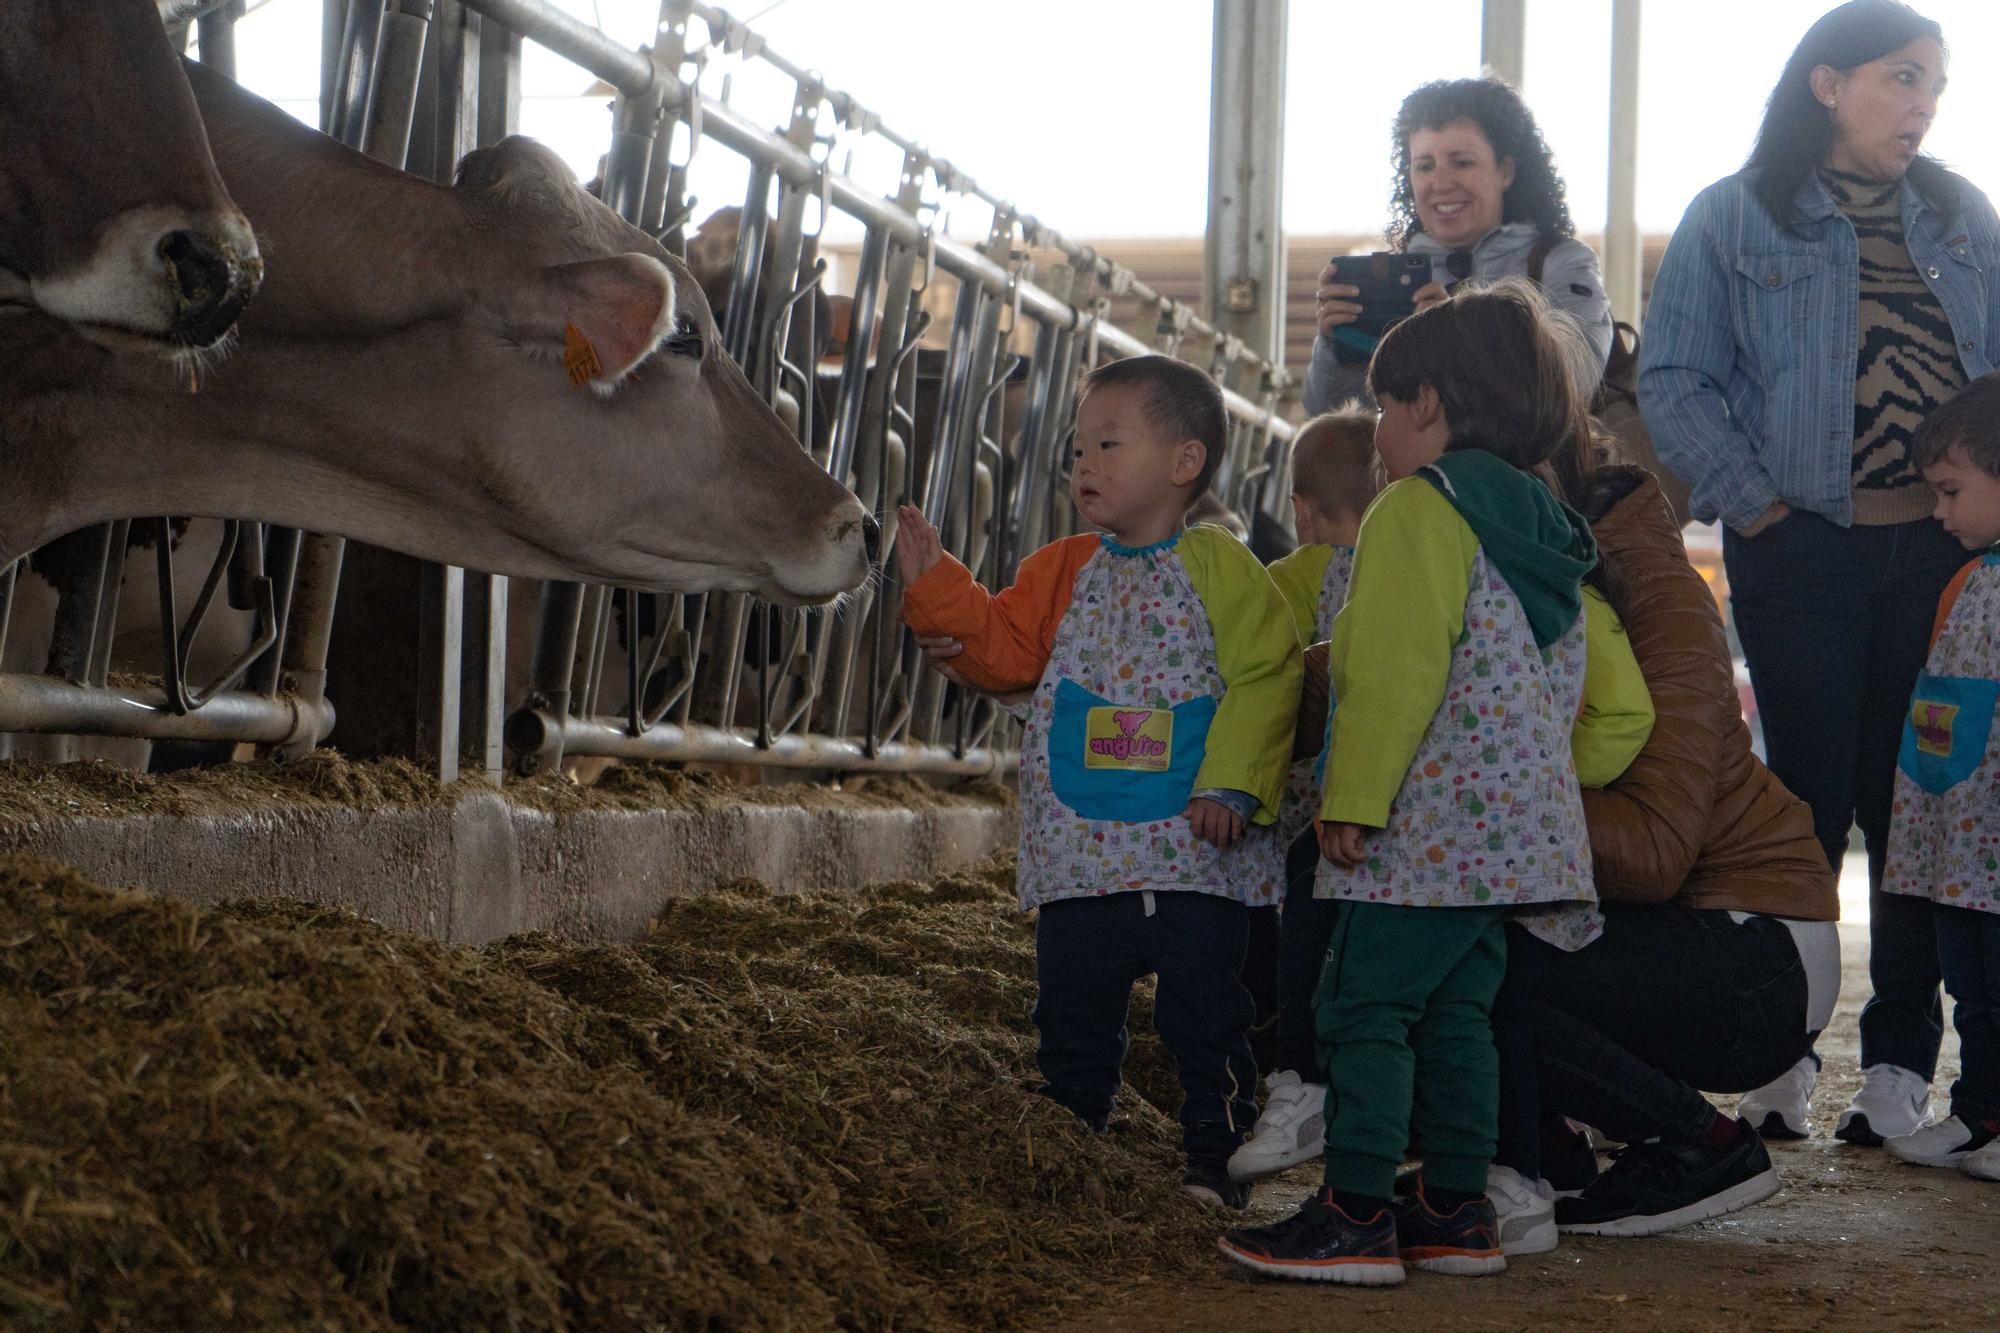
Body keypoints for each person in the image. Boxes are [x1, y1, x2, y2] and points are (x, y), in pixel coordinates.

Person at [1218, 281, 1647, 1286]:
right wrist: (1536, 786)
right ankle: (1455, 1207)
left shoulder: (1420, 508)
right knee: (1455, 1014)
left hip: (1427, 821)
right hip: (1514, 833)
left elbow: (1395, 668)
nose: (1373, 434)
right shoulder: (1540, 520)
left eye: (1383, 405)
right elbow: (1580, 694)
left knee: (1359, 1005)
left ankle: (1355, 1209)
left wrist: (1353, 797)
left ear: (1429, 404)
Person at [1640, 0, 2000, 1145]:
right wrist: (1757, 506)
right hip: (1794, 547)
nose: (1923, 104)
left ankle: (1897, 1061)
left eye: (1935, 85)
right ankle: (1775, 1045)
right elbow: (1675, 379)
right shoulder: (1730, 217)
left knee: (1922, 800)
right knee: (1801, 798)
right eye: (1901, 78)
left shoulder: (1960, 216)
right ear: (1826, 85)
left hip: (1940, 557)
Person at [894, 355, 1301, 1212]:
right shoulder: (1062, 566)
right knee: (1071, 1003)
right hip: (1081, 848)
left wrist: (1231, 786)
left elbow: (1269, 675)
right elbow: (1003, 646)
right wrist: (939, 591)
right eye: (1079, 449)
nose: (1085, 465)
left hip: (1194, 849)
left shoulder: (1224, 567)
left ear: (1185, 462)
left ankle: (1213, 1153)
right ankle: (1070, 1136)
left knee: (1203, 1013)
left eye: (1109, 444)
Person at [1510, 459, 1842, 1238]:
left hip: (1760, 952)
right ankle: (1541, 1151)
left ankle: (1703, 1141)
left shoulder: (1658, 603)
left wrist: (1488, 802)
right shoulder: (1585, 579)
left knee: (1487, 967)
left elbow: (1657, 848)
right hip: (1728, 931)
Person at [1226, 405, 1378, 1183]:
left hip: (1303, 816)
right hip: (1393, 810)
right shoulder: (1410, 566)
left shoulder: (1286, 580)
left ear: (1303, 510)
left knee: (1294, 938)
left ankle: (1292, 1071)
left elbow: (1243, 665)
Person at [1303, 76, 1613, 417]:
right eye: (1424, 166)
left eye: (1461, 162)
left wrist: (1457, 335)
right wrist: (1334, 345)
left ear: (1505, 171)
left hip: (1532, 472)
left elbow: (1573, 380)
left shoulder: (1561, 264)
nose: (1440, 182)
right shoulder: (1393, 282)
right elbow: (1335, 416)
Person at [1878, 375, 2000, 1181]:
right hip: (1961, 844)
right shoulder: (1965, 580)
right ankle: (1977, 1111)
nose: (1939, 511)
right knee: (1971, 979)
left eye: (1952, 491)